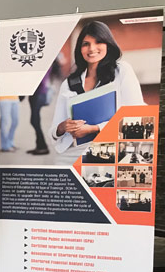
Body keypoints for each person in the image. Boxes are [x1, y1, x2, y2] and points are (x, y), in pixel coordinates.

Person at [50, 20, 144, 164]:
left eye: (98, 42)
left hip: (111, 150)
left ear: (108, 44)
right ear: (80, 48)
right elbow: (54, 131)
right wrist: (62, 127)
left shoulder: (121, 71)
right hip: (72, 154)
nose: (92, 48)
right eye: (86, 44)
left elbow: (137, 116)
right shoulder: (69, 83)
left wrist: (94, 128)